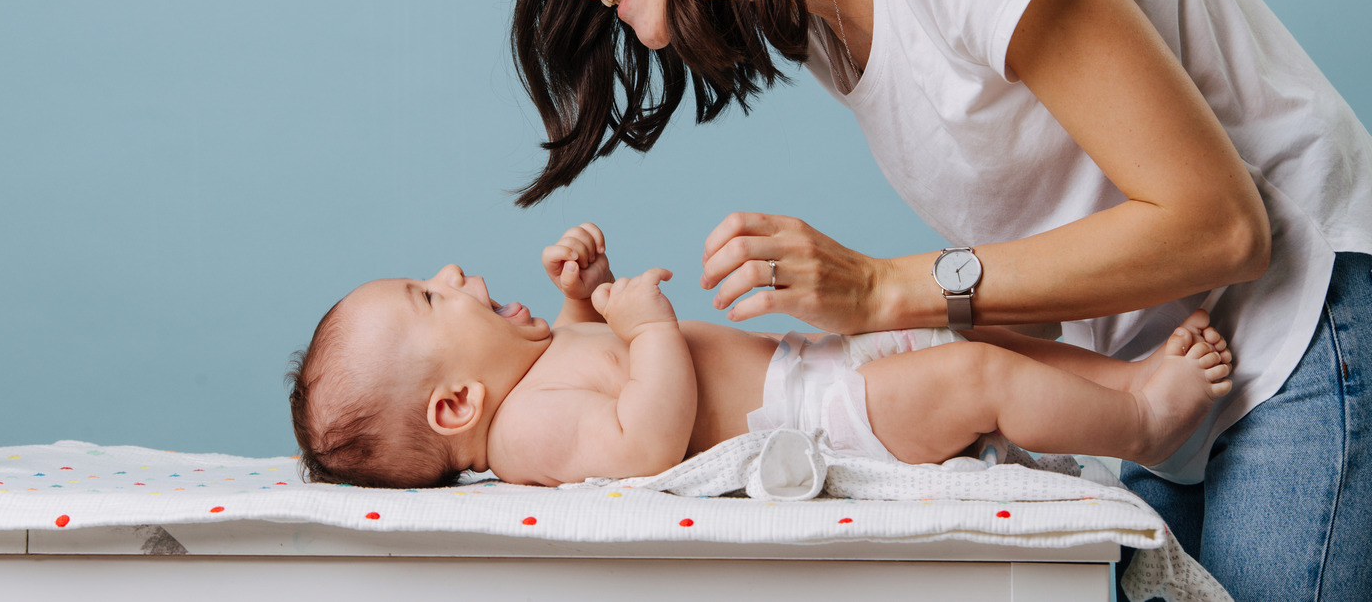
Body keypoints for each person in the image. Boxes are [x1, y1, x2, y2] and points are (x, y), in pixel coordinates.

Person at [437, 0, 1372, 598]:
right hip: (1165, 373)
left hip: (1295, 329)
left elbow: (1220, 225)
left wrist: (885, 291)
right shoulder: (819, 15)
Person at [289, 224, 1232, 489]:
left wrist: (589, 291)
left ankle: (1130, 385)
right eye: (428, 294)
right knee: (975, 379)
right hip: (820, 424)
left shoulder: (531, 373)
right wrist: (648, 327)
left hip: (815, 367)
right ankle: (1146, 423)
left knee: (978, 334)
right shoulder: (526, 432)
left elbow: (585, 351)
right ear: (456, 408)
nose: (452, 270)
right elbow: (639, 444)